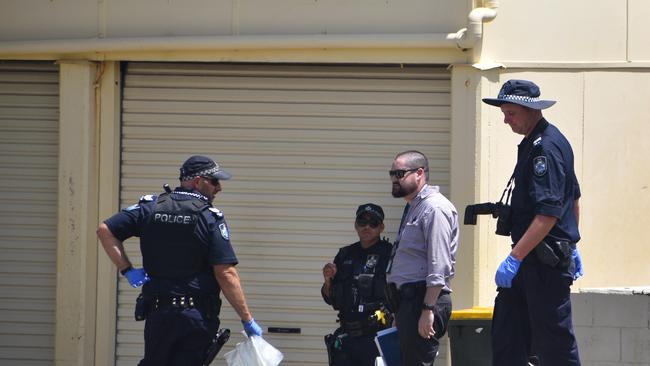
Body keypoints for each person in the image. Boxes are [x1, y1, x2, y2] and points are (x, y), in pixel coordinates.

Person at [96, 155, 263, 366]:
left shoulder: (150, 207)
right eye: (214, 181)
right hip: (194, 318)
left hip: (158, 315)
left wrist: (127, 270)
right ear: (198, 181)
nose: (219, 187)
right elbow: (226, 272)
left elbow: (105, 230)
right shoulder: (209, 216)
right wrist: (247, 319)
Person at [482, 79, 583, 365]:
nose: (506, 121)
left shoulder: (545, 148)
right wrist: (573, 242)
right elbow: (573, 198)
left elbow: (548, 214)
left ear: (530, 110)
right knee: (507, 335)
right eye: (504, 114)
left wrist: (515, 258)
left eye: (510, 114)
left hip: (543, 264)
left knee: (555, 345)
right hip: (532, 259)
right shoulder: (537, 142)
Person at [385, 150, 459, 366]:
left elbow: (439, 263)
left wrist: (427, 310)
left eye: (399, 173)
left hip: (424, 301)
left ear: (419, 173)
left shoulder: (434, 208)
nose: (394, 180)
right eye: (392, 174)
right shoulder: (415, 207)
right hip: (410, 302)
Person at [321, 203, 393, 366]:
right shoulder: (345, 254)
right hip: (347, 338)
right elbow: (330, 298)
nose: (367, 227)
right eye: (362, 222)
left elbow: (400, 295)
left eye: (373, 223)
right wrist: (327, 281)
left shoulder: (390, 254)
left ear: (381, 227)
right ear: (355, 224)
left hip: (376, 337)